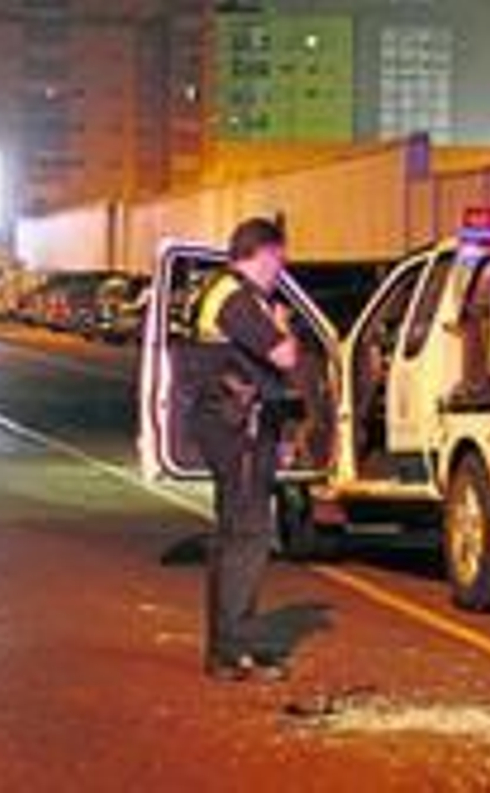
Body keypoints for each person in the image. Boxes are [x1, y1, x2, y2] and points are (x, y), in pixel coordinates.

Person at [188, 217, 300, 680]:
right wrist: (282, 326)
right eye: (279, 260)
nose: (281, 270)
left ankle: (232, 646)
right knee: (247, 537)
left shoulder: (228, 293)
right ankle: (232, 650)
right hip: (238, 433)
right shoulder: (235, 298)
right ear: (263, 253)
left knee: (235, 537)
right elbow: (285, 355)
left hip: (237, 429)